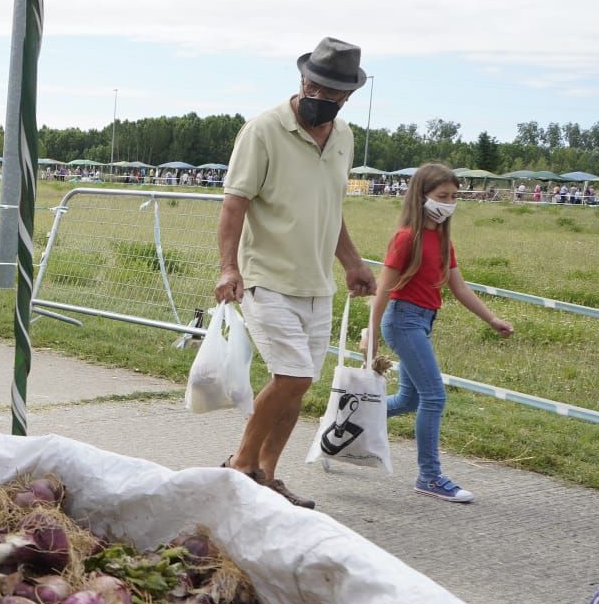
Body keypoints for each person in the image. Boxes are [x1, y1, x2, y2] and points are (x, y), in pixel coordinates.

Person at [214, 36, 377, 509]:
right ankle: (241, 465)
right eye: (314, 87)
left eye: (332, 95)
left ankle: (266, 475)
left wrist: (351, 262)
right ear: (302, 80)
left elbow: (331, 209)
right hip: (267, 276)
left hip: (316, 283)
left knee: (297, 387)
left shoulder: (343, 137)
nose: (320, 99)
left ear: (348, 96)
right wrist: (229, 268)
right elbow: (234, 204)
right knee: (293, 377)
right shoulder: (263, 130)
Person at [367, 163, 513, 503]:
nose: (449, 203)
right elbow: (383, 291)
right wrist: (370, 338)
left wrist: (492, 320)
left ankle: (348, 421)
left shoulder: (444, 239)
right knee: (434, 396)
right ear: (421, 196)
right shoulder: (406, 239)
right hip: (403, 321)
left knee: (410, 400)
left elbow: (459, 288)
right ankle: (429, 477)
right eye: (442, 196)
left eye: (453, 196)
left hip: (422, 322)